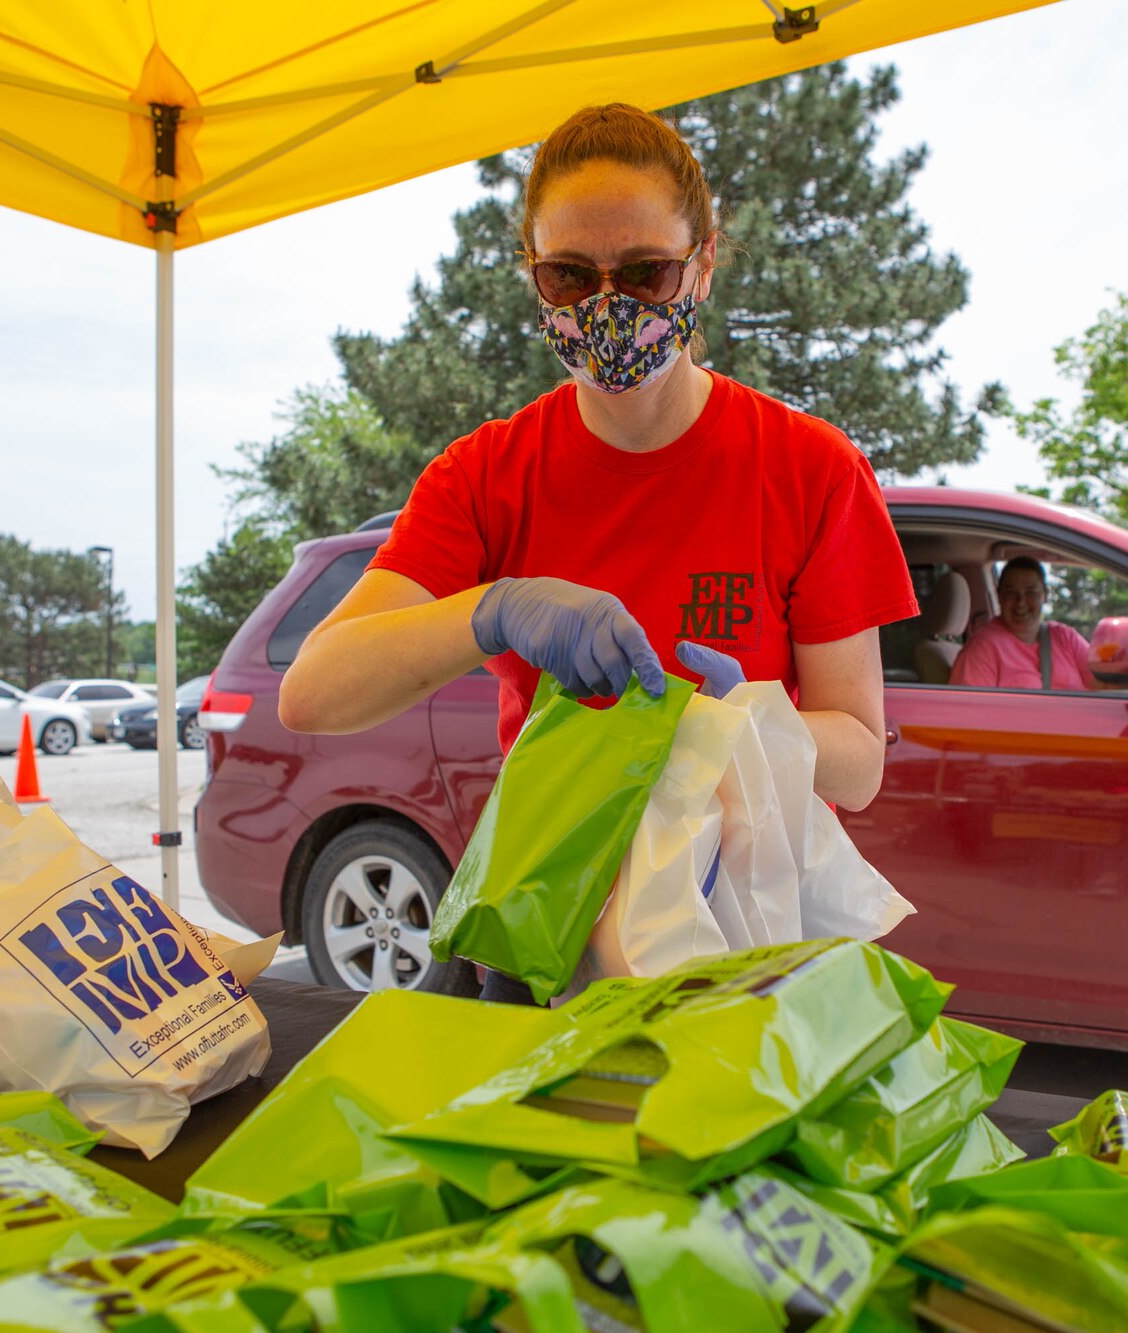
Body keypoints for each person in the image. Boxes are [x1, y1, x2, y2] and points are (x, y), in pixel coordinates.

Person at [278, 103, 917, 1003]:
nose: (607, 305)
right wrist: (492, 606)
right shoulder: (487, 475)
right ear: (533, 277)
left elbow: (859, 759)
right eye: (570, 275)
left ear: (704, 260)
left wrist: (739, 727)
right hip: (546, 919)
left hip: (737, 932)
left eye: (647, 273)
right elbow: (314, 693)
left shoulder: (810, 470)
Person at [949, 557, 1094, 690]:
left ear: (1045, 596)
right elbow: (969, 714)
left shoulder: (1066, 638)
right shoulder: (982, 649)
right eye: (1011, 592)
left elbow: (1104, 683)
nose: (1021, 602)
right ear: (999, 597)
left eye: (1030, 592)